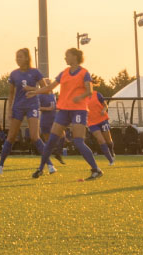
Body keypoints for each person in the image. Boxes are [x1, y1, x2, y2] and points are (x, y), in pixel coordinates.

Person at [27, 48, 104, 180]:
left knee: (78, 142)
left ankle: (96, 169)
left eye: (67, 55)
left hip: (79, 110)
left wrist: (80, 97)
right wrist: (35, 92)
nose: (65, 58)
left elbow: (89, 91)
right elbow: (50, 87)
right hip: (63, 110)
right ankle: (40, 169)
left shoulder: (84, 73)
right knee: (51, 141)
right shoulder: (64, 73)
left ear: (74, 57)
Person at [0, 48, 48, 174]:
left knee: (34, 136)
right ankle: (0, 165)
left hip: (32, 106)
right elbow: (11, 93)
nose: (17, 59)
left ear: (27, 58)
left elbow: (46, 89)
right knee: (11, 137)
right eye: (16, 57)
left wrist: (32, 89)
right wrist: (9, 109)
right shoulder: (14, 74)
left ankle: (49, 164)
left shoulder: (35, 72)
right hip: (18, 107)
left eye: (20, 57)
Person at [36, 85, 63, 171]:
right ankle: (48, 163)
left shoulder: (53, 95)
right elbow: (37, 107)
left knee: (63, 135)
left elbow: (55, 106)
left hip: (55, 119)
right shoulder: (40, 95)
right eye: (47, 84)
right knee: (48, 143)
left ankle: (58, 153)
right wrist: (48, 108)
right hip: (45, 120)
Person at [86, 90, 116, 165]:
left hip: (102, 120)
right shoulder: (81, 97)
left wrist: (103, 110)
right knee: (101, 140)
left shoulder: (97, 94)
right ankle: (110, 160)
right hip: (92, 123)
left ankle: (111, 151)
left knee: (108, 140)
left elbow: (105, 105)